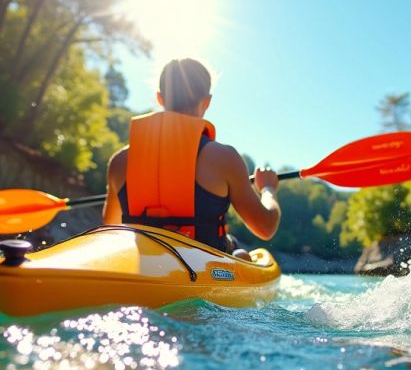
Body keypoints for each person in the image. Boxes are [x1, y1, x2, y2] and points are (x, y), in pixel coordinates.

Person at [102, 58, 281, 257]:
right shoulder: (224, 158)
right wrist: (267, 189)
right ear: (206, 102)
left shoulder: (120, 162)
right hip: (205, 267)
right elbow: (266, 227)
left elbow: (110, 229)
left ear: (160, 98)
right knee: (241, 254)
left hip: (143, 263)